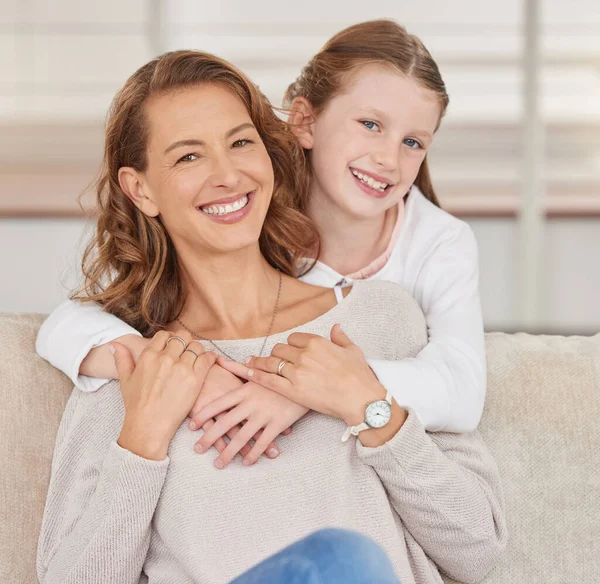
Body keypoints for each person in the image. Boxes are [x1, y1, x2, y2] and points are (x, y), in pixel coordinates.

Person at [36, 50, 506, 584]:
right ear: (141, 189)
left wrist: (369, 407)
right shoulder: (126, 371)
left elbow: (479, 549)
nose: (227, 174)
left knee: (343, 562)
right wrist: (142, 440)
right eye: (189, 157)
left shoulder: (378, 320)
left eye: (240, 143)